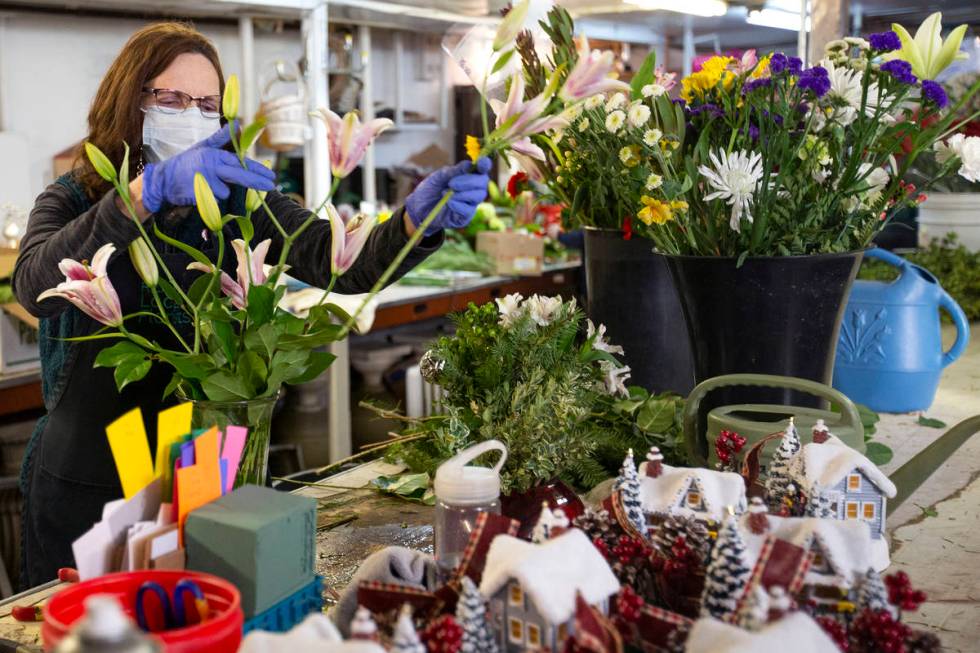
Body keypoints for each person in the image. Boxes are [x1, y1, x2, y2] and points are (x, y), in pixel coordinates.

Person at [12, 22, 490, 587]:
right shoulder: (74, 198)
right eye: (170, 98)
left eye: (207, 103)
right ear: (131, 101)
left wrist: (414, 222)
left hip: (202, 473)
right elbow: (32, 283)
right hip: (91, 478)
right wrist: (145, 193)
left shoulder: (236, 196)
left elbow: (334, 259)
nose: (190, 113)